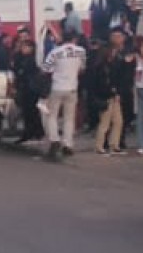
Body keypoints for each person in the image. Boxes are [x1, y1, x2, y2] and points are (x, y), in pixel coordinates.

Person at [40, 31, 86, 163]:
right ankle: (68, 144)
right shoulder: (80, 51)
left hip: (57, 86)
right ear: (74, 39)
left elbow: (46, 69)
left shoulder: (55, 52)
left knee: (52, 116)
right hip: (72, 87)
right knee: (69, 117)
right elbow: (82, 68)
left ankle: (54, 140)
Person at [9, 32, 45, 144]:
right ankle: (34, 132)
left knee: (31, 111)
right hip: (25, 87)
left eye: (25, 47)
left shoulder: (31, 60)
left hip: (30, 88)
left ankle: (33, 132)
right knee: (28, 111)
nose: (23, 49)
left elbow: (23, 72)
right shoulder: (20, 57)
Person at [93, 43, 128, 156]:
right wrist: (111, 91)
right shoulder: (101, 67)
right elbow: (100, 84)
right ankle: (99, 146)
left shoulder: (113, 64)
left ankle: (114, 145)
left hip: (114, 96)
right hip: (106, 97)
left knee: (118, 121)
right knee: (105, 123)